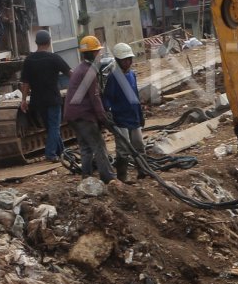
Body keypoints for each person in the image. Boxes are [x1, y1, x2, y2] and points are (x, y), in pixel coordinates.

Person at [63, 35, 115, 183]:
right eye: (97, 52)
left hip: (72, 115)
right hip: (83, 115)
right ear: (92, 53)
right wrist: (103, 118)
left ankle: (86, 177)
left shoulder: (80, 68)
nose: (99, 55)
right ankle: (108, 177)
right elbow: (95, 97)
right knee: (99, 146)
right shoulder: (89, 71)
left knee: (85, 147)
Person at [19, 29, 71, 161]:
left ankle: (62, 152)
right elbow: (70, 74)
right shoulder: (54, 58)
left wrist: (23, 100)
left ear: (36, 43)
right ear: (48, 42)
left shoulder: (29, 60)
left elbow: (25, 83)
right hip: (53, 99)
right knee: (54, 127)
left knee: (50, 128)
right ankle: (50, 153)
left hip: (38, 101)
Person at [103, 42, 145, 183]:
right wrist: (109, 112)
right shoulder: (114, 78)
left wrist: (140, 115)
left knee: (139, 144)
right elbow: (107, 98)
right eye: (125, 60)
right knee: (123, 148)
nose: (128, 62)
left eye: (129, 59)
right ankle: (122, 176)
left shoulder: (132, 75)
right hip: (120, 118)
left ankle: (143, 171)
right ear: (118, 61)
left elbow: (135, 96)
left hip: (133, 117)